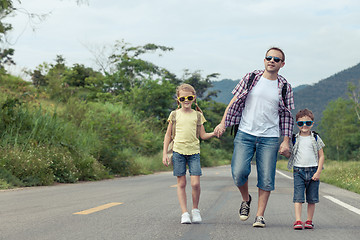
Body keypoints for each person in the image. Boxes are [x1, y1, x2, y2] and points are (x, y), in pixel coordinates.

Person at [214, 47, 294, 228]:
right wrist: (222, 123)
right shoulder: (251, 78)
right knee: (238, 173)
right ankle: (246, 199)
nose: (271, 61)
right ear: (264, 60)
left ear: (282, 64)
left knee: (266, 177)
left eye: (276, 59)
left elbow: (287, 116)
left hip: (270, 137)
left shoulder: (285, 87)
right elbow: (233, 102)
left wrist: (286, 140)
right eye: (269, 57)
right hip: (245, 133)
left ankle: (259, 216)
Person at [163, 83, 216, 224]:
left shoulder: (198, 116)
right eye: (183, 98)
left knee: (195, 184)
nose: (186, 100)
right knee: (181, 183)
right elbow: (168, 136)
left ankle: (195, 209)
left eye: (189, 97)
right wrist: (164, 154)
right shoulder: (174, 115)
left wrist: (214, 133)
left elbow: (203, 135)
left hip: (194, 152)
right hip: (178, 152)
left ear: (194, 98)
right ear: (178, 100)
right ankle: (184, 213)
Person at [286, 109, 325, 230]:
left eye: (308, 123)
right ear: (297, 124)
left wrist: (318, 172)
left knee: (312, 199)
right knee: (298, 197)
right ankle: (298, 220)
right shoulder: (294, 138)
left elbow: (321, 155)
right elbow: (290, 154)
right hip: (298, 171)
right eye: (300, 123)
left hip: (313, 171)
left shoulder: (316, 138)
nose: (304, 126)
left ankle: (309, 220)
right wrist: (285, 152)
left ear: (312, 124)